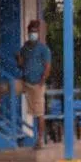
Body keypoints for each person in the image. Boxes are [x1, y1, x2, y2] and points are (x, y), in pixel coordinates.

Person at [16, 20, 52, 149]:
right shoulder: (25, 48)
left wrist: (42, 81)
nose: (33, 34)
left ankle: (40, 140)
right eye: (31, 31)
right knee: (4, 89)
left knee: (39, 113)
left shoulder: (43, 49)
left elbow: (47, 67)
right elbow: (21, 64)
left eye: (35, 32)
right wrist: (18, 59)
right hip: (25, 82)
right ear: (28, 32)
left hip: (37, 84)